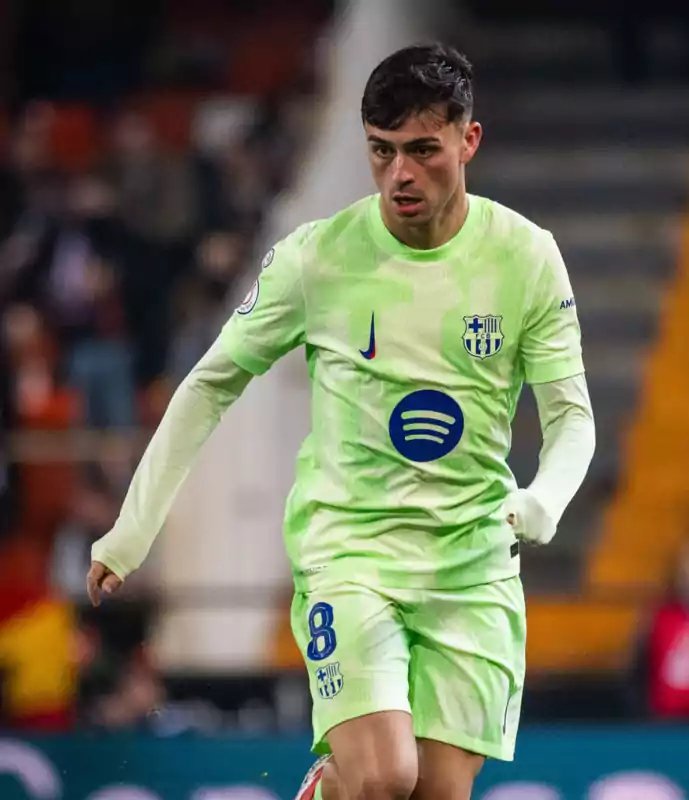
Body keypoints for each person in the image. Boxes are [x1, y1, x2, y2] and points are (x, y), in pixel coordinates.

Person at [87, 43, 596, 800]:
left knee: (438, 793)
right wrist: (133, 528)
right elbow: (209, 385)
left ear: (469, 139)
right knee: (388, 776)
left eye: (423, 151)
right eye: (381, 152)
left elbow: (572, 418)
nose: (401, 175)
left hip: (474, 565)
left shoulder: (526, 258)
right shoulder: (316, 259)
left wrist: (543, 501)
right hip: (351, 552)